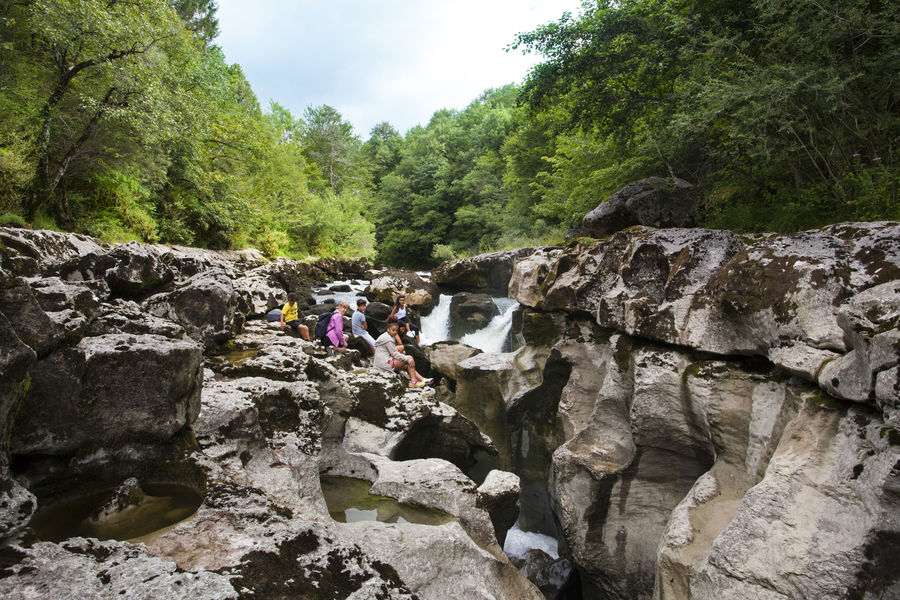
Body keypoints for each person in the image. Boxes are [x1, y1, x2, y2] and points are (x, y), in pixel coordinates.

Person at [374, 323, 432, 388]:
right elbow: (394, 354)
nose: (395, 332)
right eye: (393, 330)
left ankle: (422, 379)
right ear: (388, 329)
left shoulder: (384, 336)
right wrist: (407, 359)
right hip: (385, 364)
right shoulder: (388, 340)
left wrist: (403, 355)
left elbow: (391, 351)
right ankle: (413, 382)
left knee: (407, 364)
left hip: (380, 362)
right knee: (409, 359)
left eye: (396, 330)